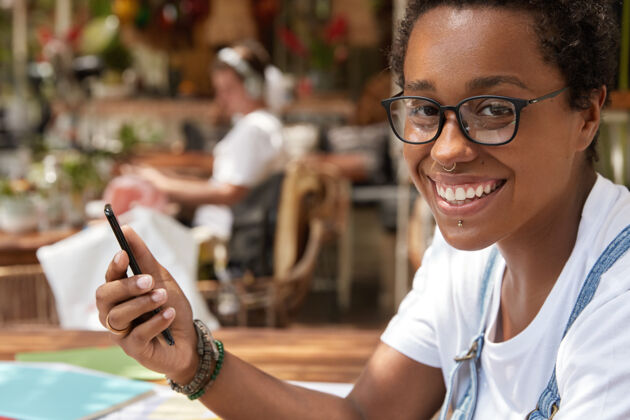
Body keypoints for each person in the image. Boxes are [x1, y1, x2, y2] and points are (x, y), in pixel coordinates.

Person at [95, 1, 630, 418]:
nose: (445, 149)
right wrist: (193, 361)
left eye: (493, 110)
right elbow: (366, 412)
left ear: (585, 114)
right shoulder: (468, 261)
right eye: (423, 109)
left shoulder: (617, 311)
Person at [131, 40, 287, 239]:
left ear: (253, 86)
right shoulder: (260, 125)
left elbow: (229, 193)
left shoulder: (255, 129)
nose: (221, 99)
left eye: (228, 89)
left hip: (218, 241)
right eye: (218, 90)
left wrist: (163, 185)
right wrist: (166, 179)